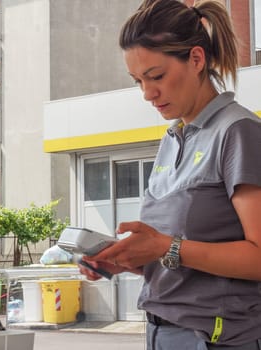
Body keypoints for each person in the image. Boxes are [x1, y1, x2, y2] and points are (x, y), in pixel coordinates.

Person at [79, 0, 261, 349]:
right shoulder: (171, 141)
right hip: (160, 332)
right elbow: (181, 258)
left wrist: (165, 246)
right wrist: (127, 260)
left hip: (215, 339)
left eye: (156, 76)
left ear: (196, 59)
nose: (148, 93)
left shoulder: (239, 132)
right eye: (138, 81)